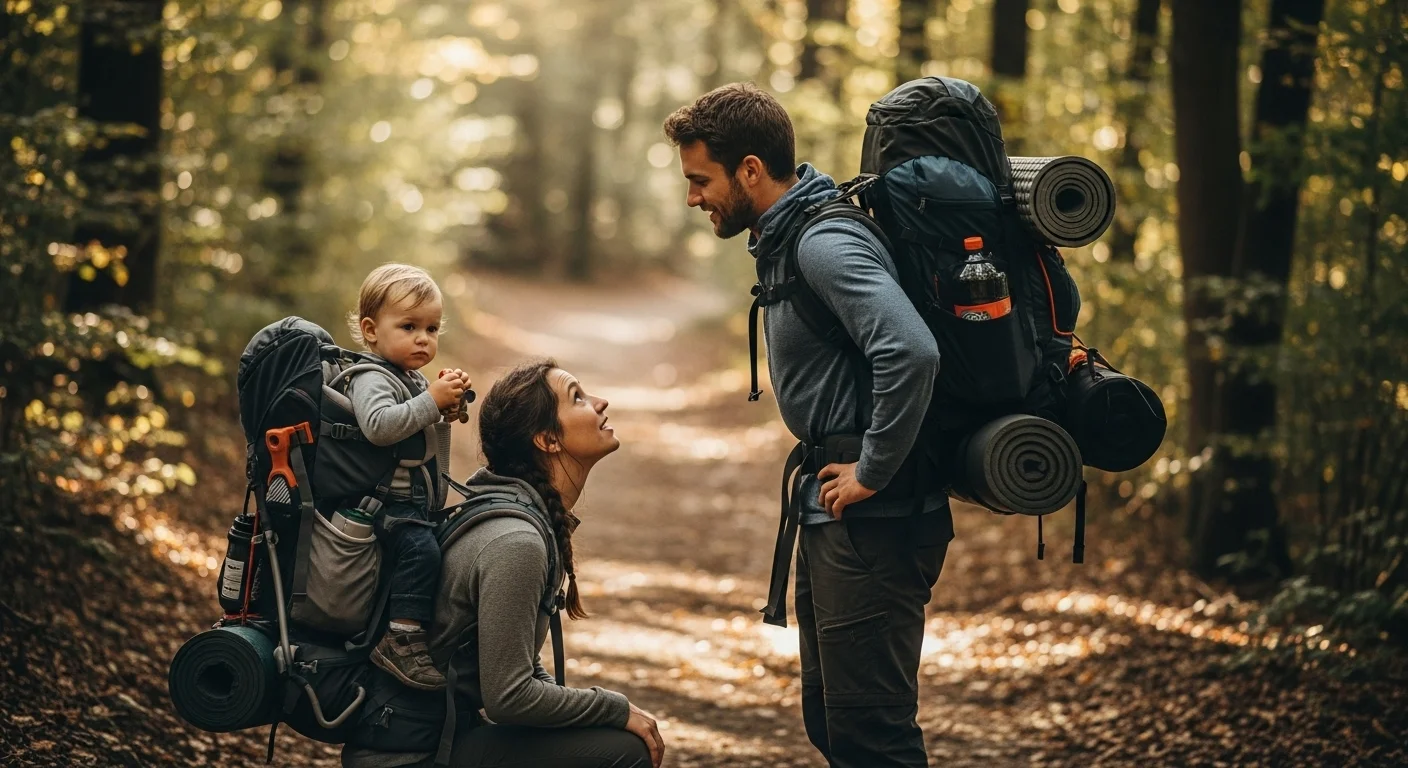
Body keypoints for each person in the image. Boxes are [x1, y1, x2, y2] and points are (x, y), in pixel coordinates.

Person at [663, 83, 953, 767]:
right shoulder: (789, 237)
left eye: (700, 180)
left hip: (876, 516)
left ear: (751, 170)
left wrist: (873, 471)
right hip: (839, 512)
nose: (692, 197)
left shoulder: (823, 244)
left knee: (873, 734)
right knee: (833, 720)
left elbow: (912, 350)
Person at [340, 358, 664, 768]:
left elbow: (517, 672)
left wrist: (600, 712)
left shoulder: (515, 519)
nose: (601, 403)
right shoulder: (517, 542)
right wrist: (614, 708)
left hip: (433, 740)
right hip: (407, 757)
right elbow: (509, 699)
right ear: (548, 440)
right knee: (623, 753)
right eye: (578, 398)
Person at [346, 262, 470, 691]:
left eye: (433, 329)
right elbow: (380, 426)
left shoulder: (411, 378)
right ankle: (400, 639)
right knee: (421, 552)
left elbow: (421, 433)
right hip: (380, 505)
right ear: (371, 330)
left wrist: (445, 409)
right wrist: (430, 402)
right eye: (409, 326)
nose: (424, 338)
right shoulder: (369, 377)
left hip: (412, 503)